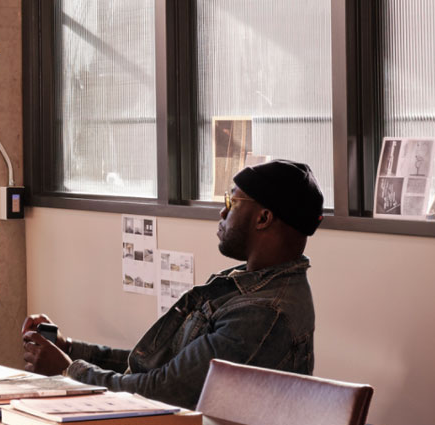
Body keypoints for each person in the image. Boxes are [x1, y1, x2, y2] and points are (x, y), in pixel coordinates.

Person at [22, 159, 323, 410]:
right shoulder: (245, 286)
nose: (222, 212)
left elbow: (160, 392)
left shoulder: (262, 313)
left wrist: (67, 370)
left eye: (232, 201)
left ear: (264, 218)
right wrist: (71, 349)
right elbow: (160, 366)